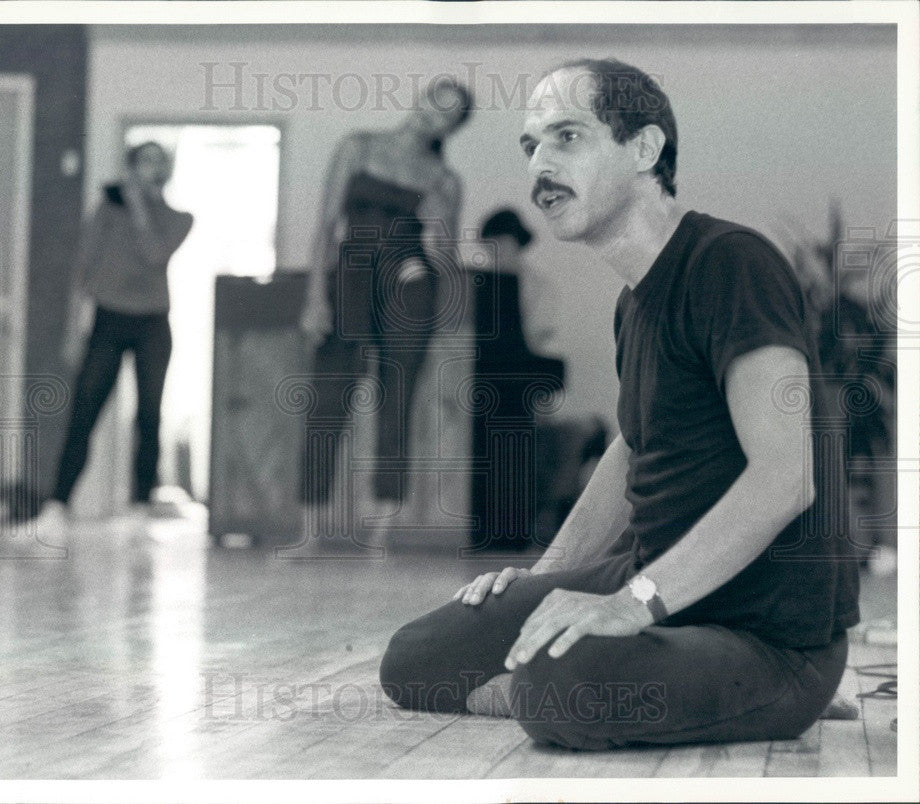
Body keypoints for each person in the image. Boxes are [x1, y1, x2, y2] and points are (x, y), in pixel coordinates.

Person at [380, 57, 860, 750]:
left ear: (644, 148)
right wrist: (537, 587)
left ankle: (786, 701)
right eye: (531, 145)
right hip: (651, 577)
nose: (540, 162)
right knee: (414, 662)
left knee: (559, 687)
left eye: (566, 137)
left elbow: (786, 479)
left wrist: (634, 605)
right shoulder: (634, 302)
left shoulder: (732, 264)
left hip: (768, 635)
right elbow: (633, 445)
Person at [298, 78, 472, 527]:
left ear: (448, 130)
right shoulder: (357, 147)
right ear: (421, 97)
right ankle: (310, 528)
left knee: (396, 402)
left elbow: (447, 259)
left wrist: (440, 222)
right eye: (435, 102)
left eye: (446, 116)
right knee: (328, 398)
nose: (433, 115)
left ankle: (380, 531)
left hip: (409, 288)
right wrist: (315, 296)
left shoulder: (443, 179)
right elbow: (325, 227)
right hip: (349, 281)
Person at [29, 141, 194, 536]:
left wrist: (139, 205)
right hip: (107, 321)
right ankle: (57, 507)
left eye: (157, 160)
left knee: (149, 414)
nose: (149, 167)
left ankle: (141, 506)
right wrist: (74, 331)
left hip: (153, 324)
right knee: (84, 409)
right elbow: (82, 270)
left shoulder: (179, 218)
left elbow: (155, 254)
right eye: (143, 159)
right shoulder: (105, 210)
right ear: (131, 166)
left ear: (164, 170)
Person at [469, 209, 565, 550]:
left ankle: (512, 536)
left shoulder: (538, 286)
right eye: (494, 245)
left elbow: (542, 341)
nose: (501, 252)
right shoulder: (472, 286)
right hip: (479, 384)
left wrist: (539, 392)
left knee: (514, 460)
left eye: (507, 245)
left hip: (516, 385)